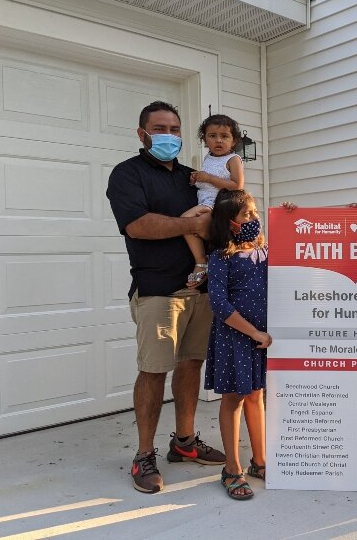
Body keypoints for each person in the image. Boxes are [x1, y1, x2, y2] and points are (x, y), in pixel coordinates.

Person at [106, 100, 225, 494]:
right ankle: (143, 455)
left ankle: (185, 442)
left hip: (201, 287)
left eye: (175, 129)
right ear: (142, 134)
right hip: (158, 289)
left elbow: (222, 217)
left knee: (192, 365)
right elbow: (138, 225)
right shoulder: (128, 175)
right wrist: (189, 224)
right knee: (154, 370)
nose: (170, 136)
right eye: (160, 129)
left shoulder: (194, 177)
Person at [204, 189, 271, 500]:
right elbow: (218, 303)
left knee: (256, 397)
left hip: (261, 339)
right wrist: (253, 333)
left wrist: (291, 212)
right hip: (235, 339)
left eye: (255, 213)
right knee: (234, 399)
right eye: (247, 214)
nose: (254, 219)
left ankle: (260, 461)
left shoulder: (265, 253)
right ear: (230, 222)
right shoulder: (220, 258)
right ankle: (232, 468)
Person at [182, 115, 245, 285]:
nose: (218, 140)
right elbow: (207, 184)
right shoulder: (208, 158)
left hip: (220, 205)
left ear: (234, 141)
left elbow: (237, 185)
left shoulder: (233, 159)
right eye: (212, 136)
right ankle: (209, 261)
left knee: (185, 221)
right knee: (193, 227)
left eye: (224, 136)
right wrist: (197, 180)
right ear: (204, 139)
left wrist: (208, 178)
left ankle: (201, 262)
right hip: (205, 203)